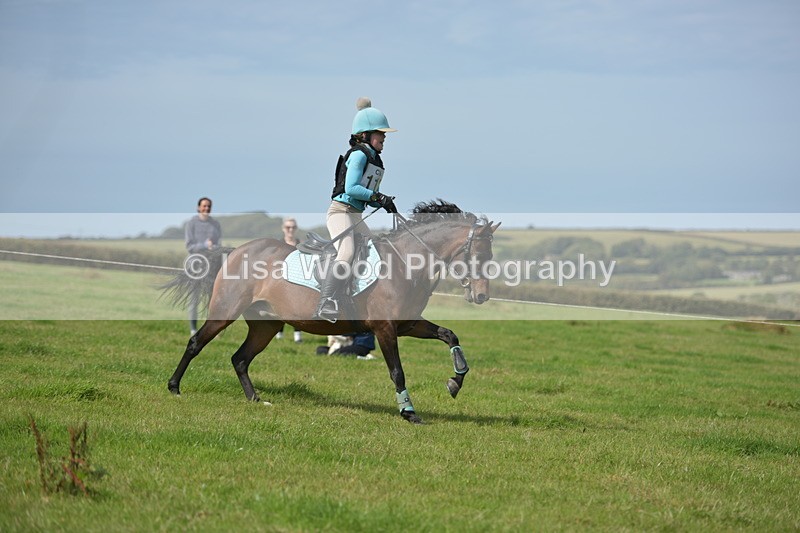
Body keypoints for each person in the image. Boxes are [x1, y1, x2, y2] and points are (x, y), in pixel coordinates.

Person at [313, 97, 399, 322]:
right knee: (347, 252)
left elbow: (367, 196)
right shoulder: (359, 154)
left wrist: (383, 202)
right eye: (380, 133)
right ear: (366, 134)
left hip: (355, 215)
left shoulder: (375, 160)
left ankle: (357, 296)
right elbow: (351, 188)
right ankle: (325, 302)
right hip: (340, 212)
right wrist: (377, 196)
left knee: (375, 250)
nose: (384, 137)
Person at [185, 197, 222, 335]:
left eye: (209, 206)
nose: (207, 208)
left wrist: (215, 248)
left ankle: (210, 329)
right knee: (194, 299)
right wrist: (204, 245)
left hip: (212, 265)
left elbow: (218, 243)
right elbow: (189, 246)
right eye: (204, 206)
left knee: (211, 299)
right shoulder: (191, 223)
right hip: (196, 264)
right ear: (198, 207)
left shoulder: (215, 224)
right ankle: (193, 329)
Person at [276, 217, 303, 343]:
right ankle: (279, 334)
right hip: (281, 280)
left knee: (298, 307)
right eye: (288, 227)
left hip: (298, 280)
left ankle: (298, 335)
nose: (290, 230)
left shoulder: (301, 244)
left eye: (293, 227)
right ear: (283, 229)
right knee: (280, 306)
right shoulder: (278, 245)